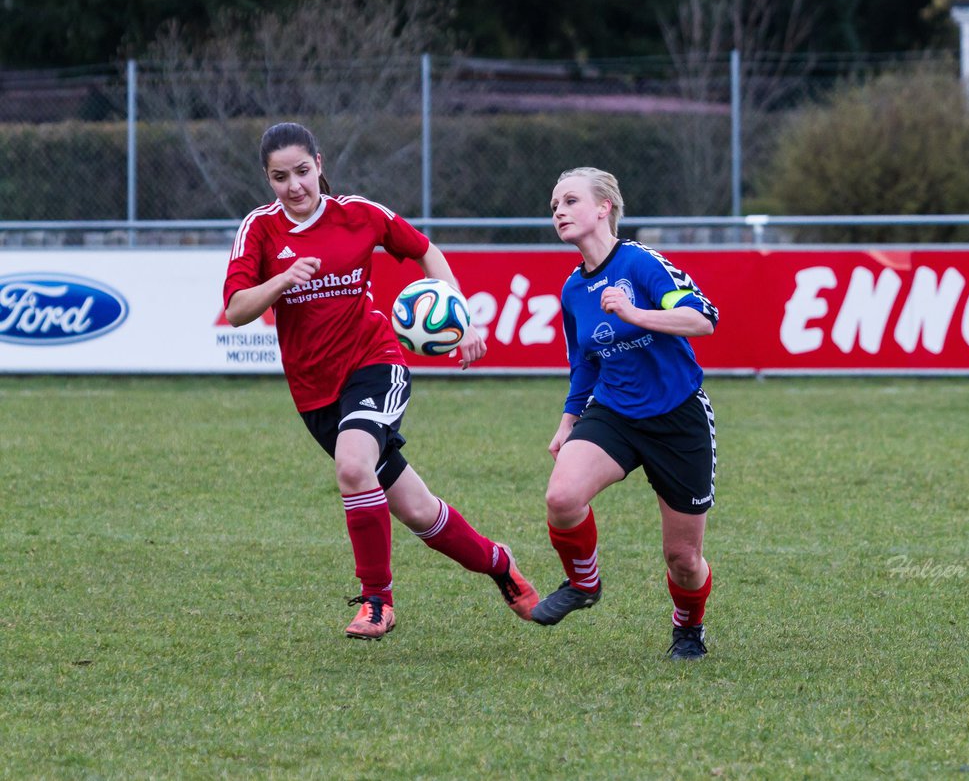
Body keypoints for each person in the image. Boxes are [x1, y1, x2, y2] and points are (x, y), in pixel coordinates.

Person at [222, 122, 538, 640]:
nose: (295, 186)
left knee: (352, 467)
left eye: (303, 171)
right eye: (281, 177)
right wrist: (280, 280)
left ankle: (377, 601)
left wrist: (461, 317)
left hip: (375, 362)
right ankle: (499, 564)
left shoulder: (360, 215)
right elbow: (235, 310)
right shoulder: (259, 230)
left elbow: (424, 250)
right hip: (314, 393)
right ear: (268, 179)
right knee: (416, 510)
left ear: (319, 164)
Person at [531, 167, 720, 661]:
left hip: (677, 417)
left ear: (603, 208)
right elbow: (584, 362)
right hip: (614, 412)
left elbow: (703, 318)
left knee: (683, 558)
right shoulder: (573, 290)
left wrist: (635, 313)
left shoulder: (640, 263)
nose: (559, 211)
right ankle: (584, 584)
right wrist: (570, 419)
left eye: (570, 201)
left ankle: (688, 627)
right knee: (562, 495)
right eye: (554, 205)